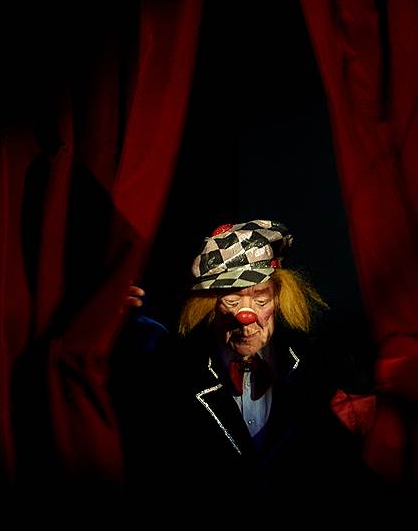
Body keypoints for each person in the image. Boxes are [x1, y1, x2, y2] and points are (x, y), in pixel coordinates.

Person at [116, 219, 374, 515]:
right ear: (209, 304)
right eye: (231, 300)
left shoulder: (316, 367)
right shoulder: (174, 373)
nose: (246, 317)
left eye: (261, 299)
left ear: (278, 299)